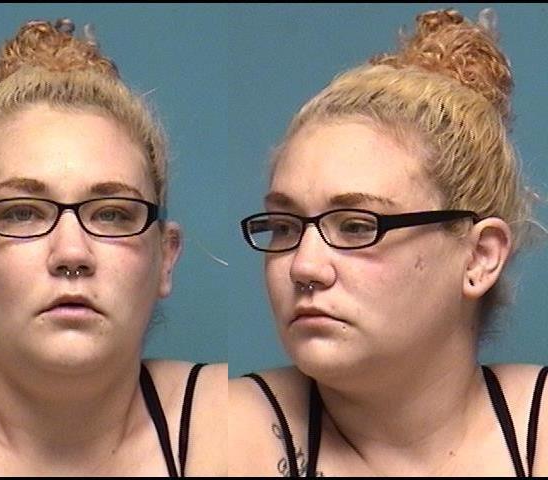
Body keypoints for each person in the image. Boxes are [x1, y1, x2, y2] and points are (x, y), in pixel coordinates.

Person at [230, 8, 546, 476]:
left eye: (357, 226)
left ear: (480, 257)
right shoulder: (221, 435)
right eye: (285, 227)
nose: (304, 267)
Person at [0, 18, 226, 476]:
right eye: (22, 213)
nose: (72, 254)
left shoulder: (229, 422)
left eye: (112, 214)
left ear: (166, 257)